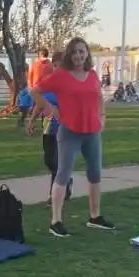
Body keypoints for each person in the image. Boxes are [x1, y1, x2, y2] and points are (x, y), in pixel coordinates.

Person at [31, 37, 114, 237]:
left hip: (92, 132)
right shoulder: (61, 76)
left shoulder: (93, 75)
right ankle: (56, 221)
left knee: (95, 174)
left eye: (82, 51)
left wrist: (102, 117)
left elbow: (99, 97)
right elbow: (35, 91)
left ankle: (95, 216)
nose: (78, 55)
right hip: (70, 132)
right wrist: (50, 108)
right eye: (75, 52)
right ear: (70, 55)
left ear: (87, 54)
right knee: (63, 174)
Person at [24, 51, 72, 205]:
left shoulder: (69, 86)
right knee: (49, 161)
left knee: (56, 162)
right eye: (56, 65)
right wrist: (31, 121)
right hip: (47, 128)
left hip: (63, 130)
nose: (59, 69)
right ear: (53, 65)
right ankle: (66, 180)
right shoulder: (48, 84)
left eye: (62, 66)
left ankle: (55, 195)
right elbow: (39, 103)